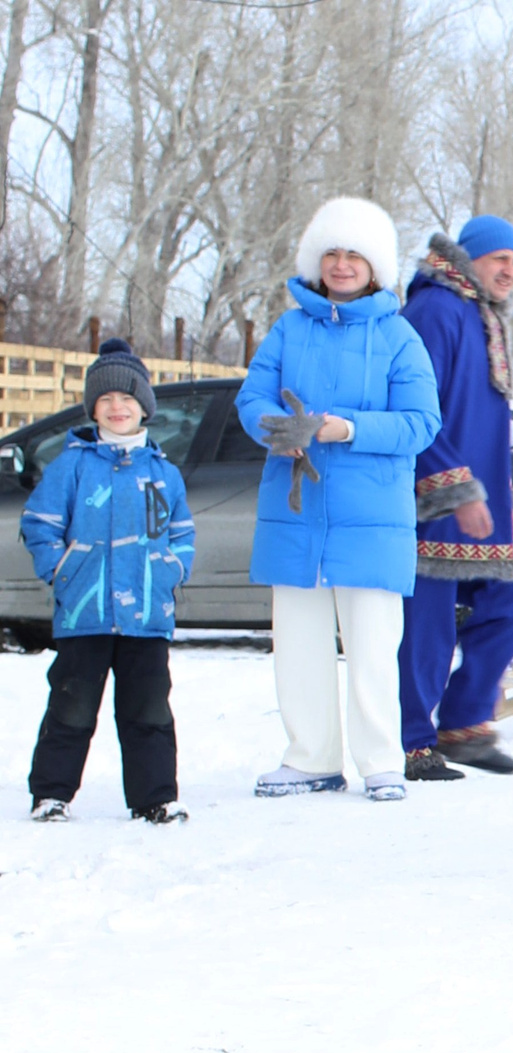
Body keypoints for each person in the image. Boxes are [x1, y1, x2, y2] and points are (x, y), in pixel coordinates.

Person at [239, 196, 442, 803]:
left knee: (373, 645)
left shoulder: (399, 336)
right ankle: (310, 759)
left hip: (371, 518)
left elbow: (420, 422)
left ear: (375, 265)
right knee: (297, 642)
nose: (342, 263)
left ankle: (382, 761)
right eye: (331, 252)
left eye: (355, 253)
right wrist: (279, 430)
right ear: (315, 260)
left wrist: (345, 428)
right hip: (297, 510)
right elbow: (252, 399)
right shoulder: (287, 327)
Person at [22, 340, 196, 824]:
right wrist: (61, 569)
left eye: (127, 399)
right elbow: (40, 523)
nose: (117, 408)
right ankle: (52, 794)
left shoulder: (163, 473)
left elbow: (181, 531)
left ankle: (155, 797)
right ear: (93, 408)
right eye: (106, 400)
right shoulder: (72, 465)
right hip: (86, 610)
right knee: (72, 706)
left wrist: (172, 568)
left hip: (146, 612)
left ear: (144, 407)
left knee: (149, 710)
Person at [397, 214, 513, 782]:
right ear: (468, 258)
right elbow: (415, 409)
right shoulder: (434, 310)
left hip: (480, 504)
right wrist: (452, 487)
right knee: (425, 626)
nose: (508, 270)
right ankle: (410, 742)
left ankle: (463, 723)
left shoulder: (480, 315)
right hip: (436, 500)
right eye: (498, 258)